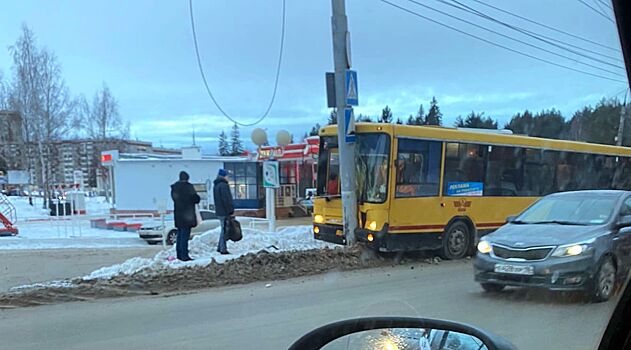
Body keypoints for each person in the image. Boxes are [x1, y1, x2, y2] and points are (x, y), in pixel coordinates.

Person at [170, 171, 200, 261]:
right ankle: (184, 255)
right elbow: (195, 199)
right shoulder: (188, 187)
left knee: (179, 235)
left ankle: (179, 254)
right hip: (187, 215)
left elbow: (175, 199)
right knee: (185, 236)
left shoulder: (175, 188)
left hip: (178, 215)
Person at [213, 168, 234, 255]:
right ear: (224, 176)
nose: (228, 178)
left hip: (219, 211)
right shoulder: (224, 186)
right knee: (224, 230)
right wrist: (230, 210)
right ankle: (223, 248)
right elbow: (226, 199)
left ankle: (220, 247)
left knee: (223, 229)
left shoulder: (216, 185)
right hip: (224, 211)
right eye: (227, 176)